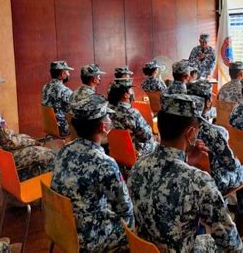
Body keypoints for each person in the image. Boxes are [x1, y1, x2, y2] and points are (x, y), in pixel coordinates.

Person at [127, 94, 243, 252]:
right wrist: (205, 172)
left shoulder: (137, 166)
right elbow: (229, 242)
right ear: (190, 134)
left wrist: (187, 162)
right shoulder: (198, 180)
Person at [51, 94, 134, 252]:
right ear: (103, 127)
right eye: (108, 116)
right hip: (88, 237)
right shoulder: (105, 163)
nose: (110, 119)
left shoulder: (64, 149)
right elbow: (125, 210)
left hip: (61, 226)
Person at [0, 69, 55, 180]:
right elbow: (8, 142)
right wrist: (31, 141)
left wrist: (24, 139)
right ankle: (30, 189)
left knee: (28, 144)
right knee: (48, 154)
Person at [187, 80, 243, 229]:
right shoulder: (213, 132)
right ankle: (242, 219)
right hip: (213, 181)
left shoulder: (181, 126)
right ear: (208, 103)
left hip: (189, 178)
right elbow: (230, 164)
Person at [108, 78, 157, 156]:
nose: (132, 93)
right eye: (130, 90)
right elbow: (147, 136)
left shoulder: (107, 110)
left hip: (115, 150)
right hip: (135, 151)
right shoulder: (132, 113)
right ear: (126, 95)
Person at [41, 60, 74, 136]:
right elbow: (74, 109)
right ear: (62, 74)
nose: (69, 74)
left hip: (49, 126)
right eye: (67, 71)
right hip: (62, 128)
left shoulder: (45, 87)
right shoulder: (65, 90)